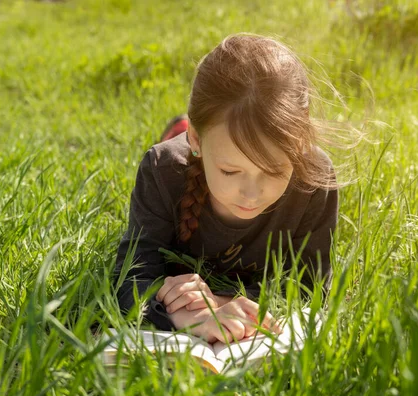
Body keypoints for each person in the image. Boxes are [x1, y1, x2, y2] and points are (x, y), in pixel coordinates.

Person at [114, 33, 343, 345]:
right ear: (197, 140)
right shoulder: (162, 170)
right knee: (172, 149)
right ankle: (178, 130)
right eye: (229, 170)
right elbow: (129, 278)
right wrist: (186, 317)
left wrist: (222, 302)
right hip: (183, 153)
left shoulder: (314, 178)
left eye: (274, 170)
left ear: (300, 145)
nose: (250, 194)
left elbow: (310, 287)